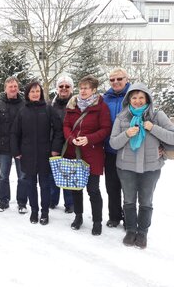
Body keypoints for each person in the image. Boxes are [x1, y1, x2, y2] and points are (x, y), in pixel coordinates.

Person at [110, 83, 174, 249]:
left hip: (150, 168)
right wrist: (126, 134)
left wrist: (153, 128)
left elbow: (172, 137)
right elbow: (113, 143)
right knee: (129, 200)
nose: (137, 101)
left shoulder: (157, 116)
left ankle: (143, 232)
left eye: (141, 97)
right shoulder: (122, 118)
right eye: (134, 97)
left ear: (147, 98)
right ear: (129, 99)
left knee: (146, 201)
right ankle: (131, 230)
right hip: (126, 168)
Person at [63, 75, 111, 235]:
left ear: (94, 90)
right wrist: (71, 138)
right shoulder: (72, 104)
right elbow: (67, 125)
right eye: (81, 87)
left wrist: (89, 138)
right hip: (74, 153)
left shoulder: (101, 106)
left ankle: (97, 221)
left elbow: (105, 129)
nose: (83, 91)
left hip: (93, 154)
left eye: (86, 88)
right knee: (76, 188)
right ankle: (78, 216)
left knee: (93, 189)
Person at [11, 82, 64, 225]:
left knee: (45, 184)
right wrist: (16, 151)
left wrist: (55, 148)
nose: (35, 93)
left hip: (45, 153)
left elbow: (59, 130)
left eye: (37, 91)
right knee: (30, 184)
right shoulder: (22, 111)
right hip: (27, 154)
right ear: (27, 94)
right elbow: (15, 133)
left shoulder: (48, 109)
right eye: (32, 91)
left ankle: (45, 212)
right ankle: (34, 211)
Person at [0, 76, 28, 213]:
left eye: (15, 86)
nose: (13, 89)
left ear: (18, 88)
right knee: (3, 176)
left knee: (22, 176)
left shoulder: (24, 104)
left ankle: (22, 202)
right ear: (5, 88)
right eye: (10, 86)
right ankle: (3, 201)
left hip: (20, 147)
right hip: (3, 146)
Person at [103, 68, 131, 228]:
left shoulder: (133, 96)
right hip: (110, 149)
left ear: (126, 79)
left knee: (128, 187)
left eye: (119, 79)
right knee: (111, 186)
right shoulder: (105, 98)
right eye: (112, 80)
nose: (115, 82)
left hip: (129, 150)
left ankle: (129, 218)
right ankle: (114, 216)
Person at [49, 76, 74, 213]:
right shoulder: (51, 104)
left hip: (70, 144)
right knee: (53, 174)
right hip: (53, 144)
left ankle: (69, 203)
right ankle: (53, 200)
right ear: (57, 88)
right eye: (61, 86)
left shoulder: (76, 104)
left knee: (68, 174)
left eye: (67, 86)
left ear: (71, 88)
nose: (64, 88)